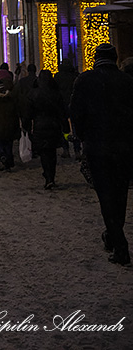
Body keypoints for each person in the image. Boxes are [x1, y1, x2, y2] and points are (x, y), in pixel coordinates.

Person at [70, 43, 133, 266]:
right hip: (124, 146)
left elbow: (76, 113)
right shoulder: (127, 81)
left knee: (105, 195)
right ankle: (113, 235)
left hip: (98, 146)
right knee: (120, 193)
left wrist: (82, 137)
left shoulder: (85, 80)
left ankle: (119, 244)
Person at [26, 69, 67, 190]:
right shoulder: (56, 93)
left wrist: (27, 126)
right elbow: (62, 112)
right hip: (53, 126)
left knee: (44, 152)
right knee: (52, 152)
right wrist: (65, 127)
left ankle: (48, 176)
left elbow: (28, 113)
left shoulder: (33, 93)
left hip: (40, 126)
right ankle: (51, 176)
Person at [0, 74, 21, 172]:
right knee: (8, 145)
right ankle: (8, 160)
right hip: (9, 126)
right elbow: (15, 112)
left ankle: (2, 156)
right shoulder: (10, 99)